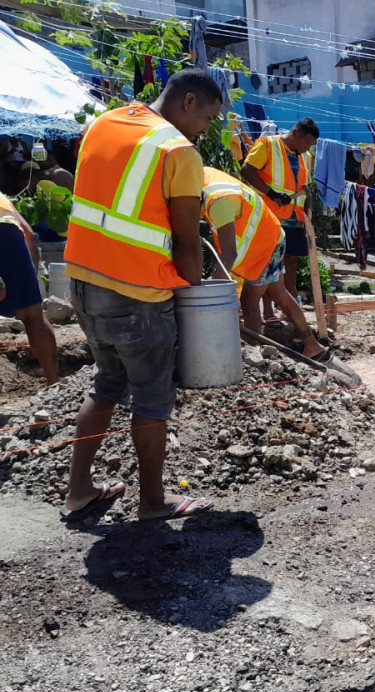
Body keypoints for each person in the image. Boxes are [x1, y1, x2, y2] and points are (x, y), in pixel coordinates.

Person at [61, 68, 221, 524]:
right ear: (188, 101)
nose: (205, 129)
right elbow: (187, 241)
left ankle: (79, 491)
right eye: (208, 118)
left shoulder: (103, 124)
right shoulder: (178, 150)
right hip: (137, 293)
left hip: (83, 282)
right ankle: (152, 502)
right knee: (152, 397)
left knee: (107, 383)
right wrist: (197, 301)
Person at [200, 166, 326, 359]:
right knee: (280, 294)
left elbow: (229, 253)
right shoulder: (205, 175)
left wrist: (209, 296)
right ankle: (312, 345)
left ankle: (252, 355)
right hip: (270, 235)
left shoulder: (219, 201)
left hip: (263, 246)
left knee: (249, 303)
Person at [241, 117, 319, 315]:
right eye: (305, 143)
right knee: (270, 263)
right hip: (270, 217)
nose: (307, 148)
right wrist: (271, 193)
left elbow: (304, 186)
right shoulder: (267, 145)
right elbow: (247, 170)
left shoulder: (306, 157)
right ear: (295, 133)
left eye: (310, 146)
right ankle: (268, 312)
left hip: (294, 219)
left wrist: (308, 208)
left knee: (291, 262)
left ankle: (289, 309)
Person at [0, 191, 58, 384]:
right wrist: (31, 275)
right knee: (33, 314)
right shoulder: (2, 200)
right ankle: (54, 382)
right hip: (9, 233)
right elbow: (30, 236)